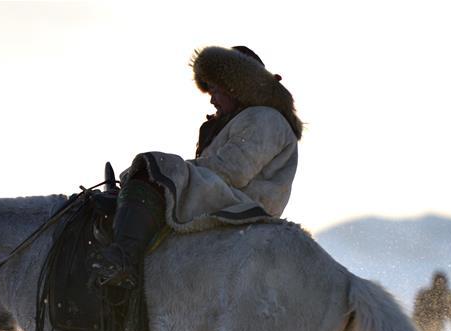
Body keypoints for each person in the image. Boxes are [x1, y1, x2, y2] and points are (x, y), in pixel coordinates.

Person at [90, 45, 302, 289]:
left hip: (241, 205)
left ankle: (124, 259)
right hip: (225, 197)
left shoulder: (265, 119)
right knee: (157, 173)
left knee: (154, 164)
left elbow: (230, 172)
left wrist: (158, 172)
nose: (212, 99)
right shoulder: (241, 120)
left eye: (215, 90)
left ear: (237, 86)